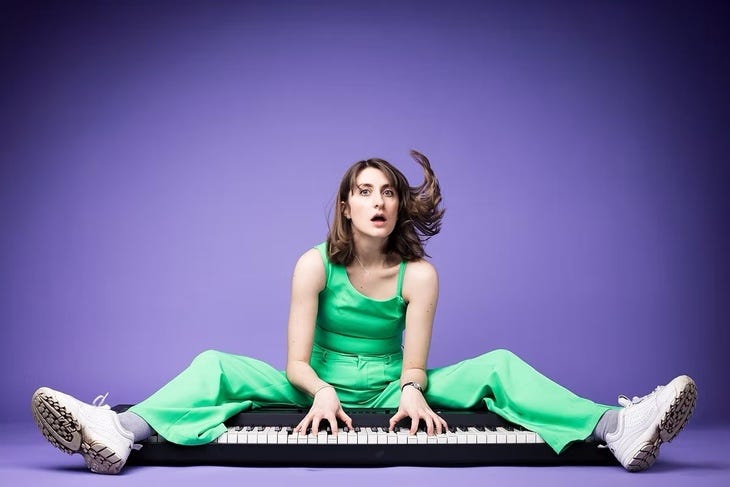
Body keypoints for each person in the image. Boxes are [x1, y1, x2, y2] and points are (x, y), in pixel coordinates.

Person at [31, 150, 697, 474]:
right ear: (346, 205)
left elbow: (415, 364)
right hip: (310, 386)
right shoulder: (312, 263)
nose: (376, 201)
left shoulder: (421, 275)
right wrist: (319, 391)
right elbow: (293, 360)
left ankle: (620, 425)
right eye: (363, 191)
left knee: (497, 365)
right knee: (215, 366)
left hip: (391, 385)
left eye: (388, 192)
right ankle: (118, 428)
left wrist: (410, 389)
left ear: (401, 207)